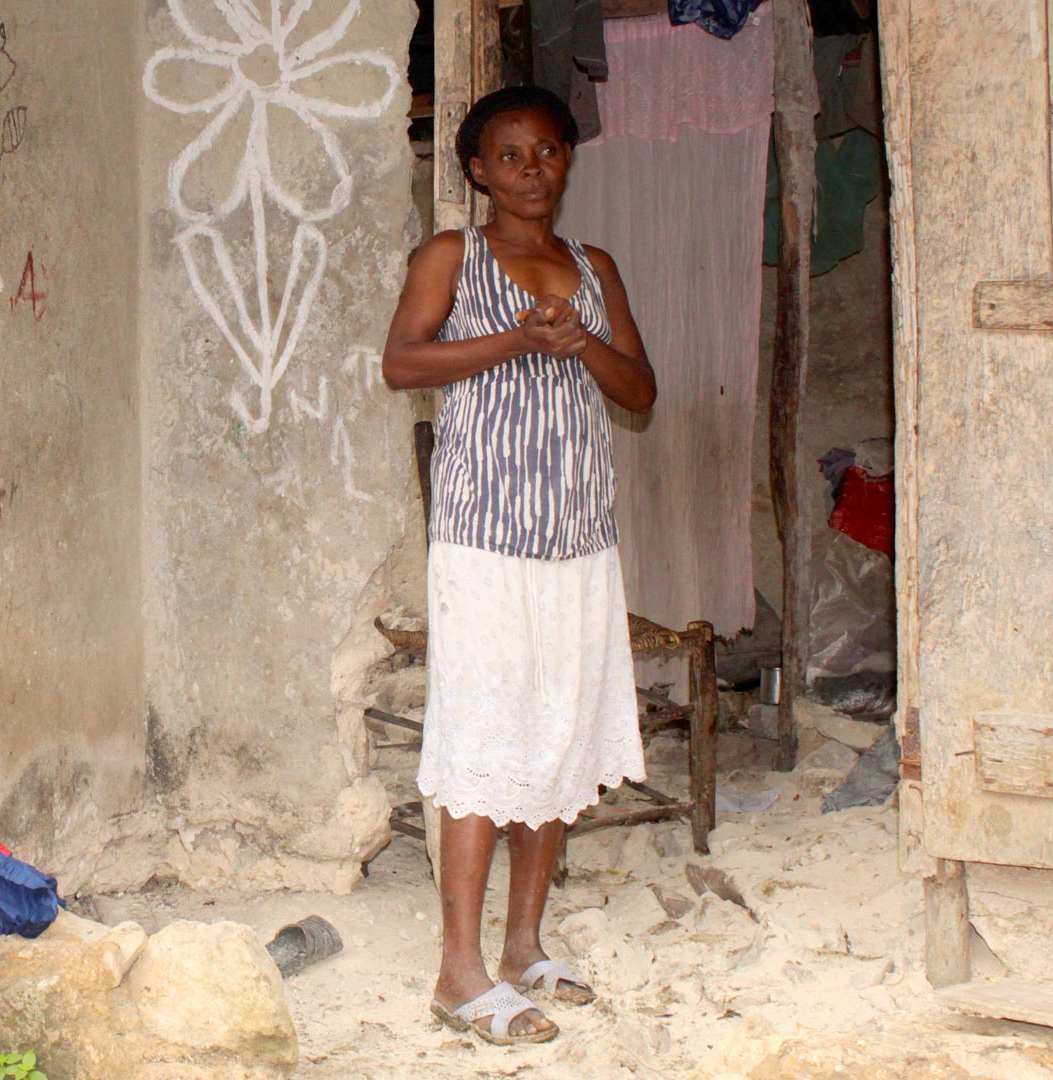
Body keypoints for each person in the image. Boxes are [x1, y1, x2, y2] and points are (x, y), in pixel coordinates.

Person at [380, 84, 657, 1046]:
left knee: (559, 731)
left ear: (567, 161)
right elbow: (402, 365)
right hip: (484, 537)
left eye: (547, 151)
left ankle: (524, 946)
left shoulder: (593, 267)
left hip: (578, 537)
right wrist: (514, 339)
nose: (531, 168)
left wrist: (580, 340)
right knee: (484, 733)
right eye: (510, 155)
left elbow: (640, 390)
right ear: (476, 171)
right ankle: (458, 973)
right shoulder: (452, 257)